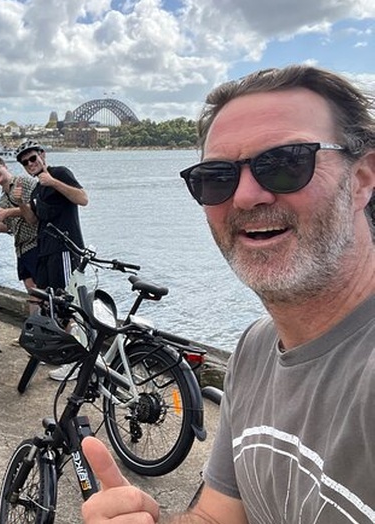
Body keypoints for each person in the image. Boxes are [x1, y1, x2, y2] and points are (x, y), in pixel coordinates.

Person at [81, 65, 375, 523]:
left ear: (361, 179)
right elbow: (219, 516)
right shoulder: (256, 348)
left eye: (284, 163)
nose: (245, 196)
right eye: (217, 177)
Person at [13, 139, 89, 380]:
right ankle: (54, 349)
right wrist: (22, 203)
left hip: (64, 249)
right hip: (46, 250)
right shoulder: (37, 188)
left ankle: (74, 361)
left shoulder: (59, 173)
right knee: (46, 300)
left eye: (33, 158)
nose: (30, 164)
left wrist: (54, 182)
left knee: (67, 304)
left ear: (43, 155)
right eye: (25, 163)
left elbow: (83, 199)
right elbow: (33, 220)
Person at [0, 155, 40, 312]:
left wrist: (8, 212)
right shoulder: (3, 199)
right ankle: (34, 330)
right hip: (21, 249)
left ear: (5, 166)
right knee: (32, 294)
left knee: (41, 293)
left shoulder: (23, 182)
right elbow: (8, 228)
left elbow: (37, 207)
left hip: (36, 244)